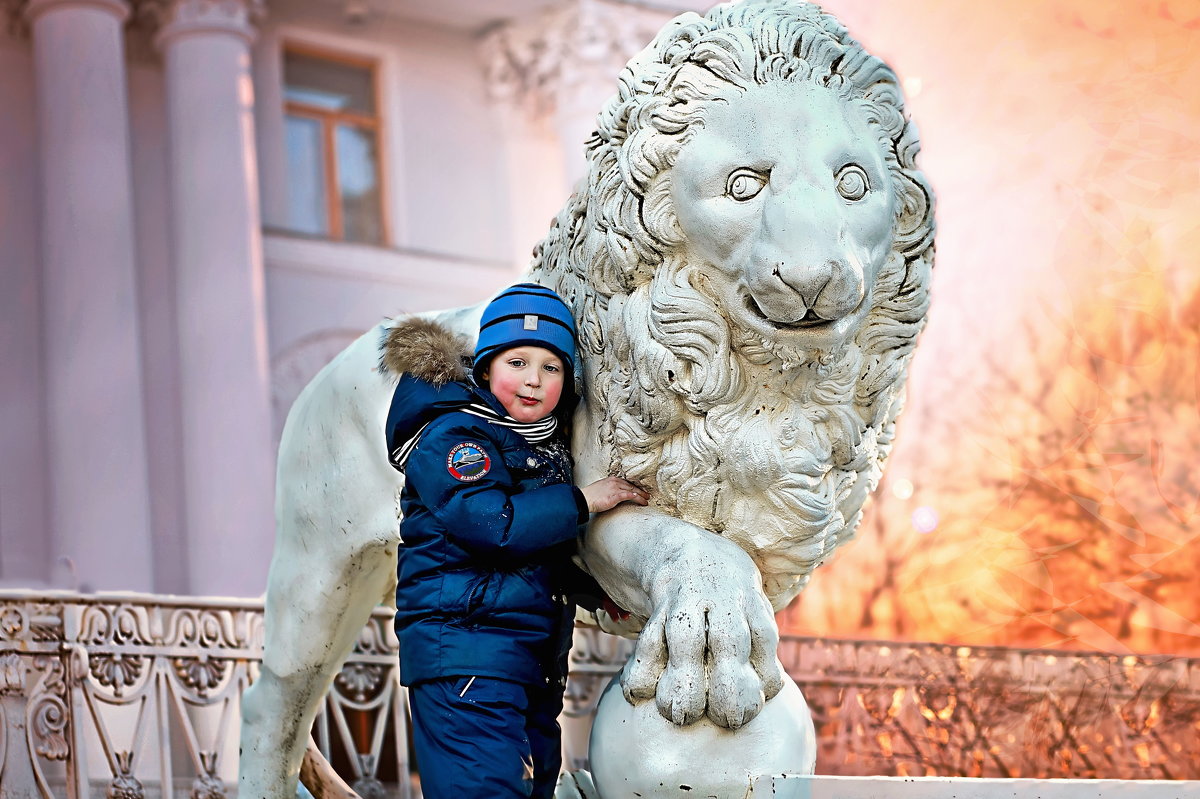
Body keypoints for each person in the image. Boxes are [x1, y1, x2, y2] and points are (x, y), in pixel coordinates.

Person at [383, 283, 648, 799]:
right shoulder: (456, 438)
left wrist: (592, 590)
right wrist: (583, 501)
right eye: (517, 362)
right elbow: (494, 527)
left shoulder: (538, 448)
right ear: (485, 369)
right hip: (466, 657)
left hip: (523, 661)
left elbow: (532, 553)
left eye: (551, 368)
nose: (533, 380)